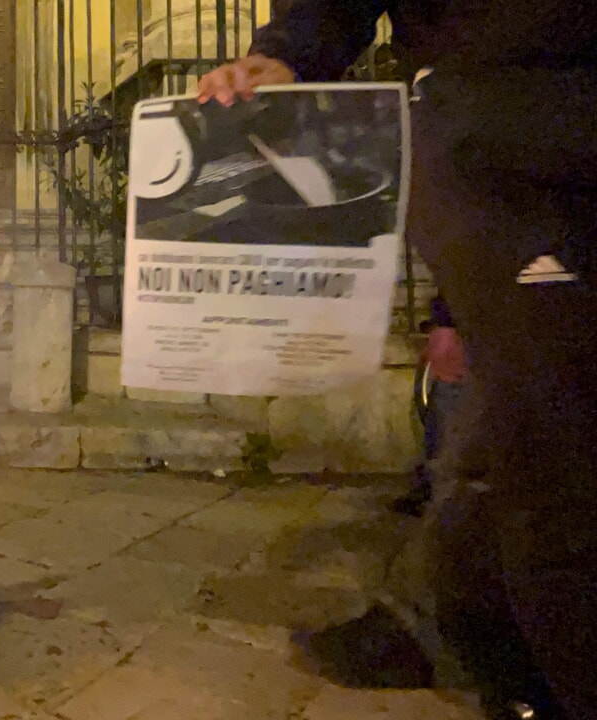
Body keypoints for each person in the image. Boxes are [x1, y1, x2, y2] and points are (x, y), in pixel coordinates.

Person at [198, 4, 597, 720]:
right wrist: (288, 54)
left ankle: (466, 637)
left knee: (514, 434)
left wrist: (453, 313)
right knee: (557, 458)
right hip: (494, 146)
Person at [393, 293, 467, 517]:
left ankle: (433, 496)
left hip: (446, 390)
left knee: (438, 445)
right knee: (440, 445)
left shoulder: (443, 337)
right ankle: (433, 494)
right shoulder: (456, 336)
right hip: (451, 390)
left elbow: (430, 361)